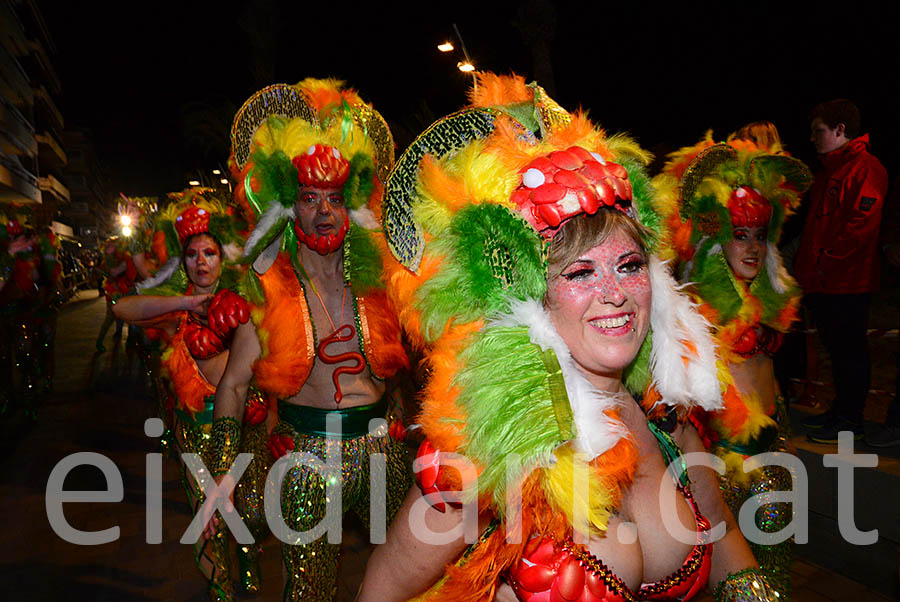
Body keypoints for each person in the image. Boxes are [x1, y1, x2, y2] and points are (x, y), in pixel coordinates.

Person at [359, 73, 779, 601]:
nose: (616, 293)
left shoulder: (666, 415)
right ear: (531, 300)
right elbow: (385, 588)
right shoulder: (484, 451)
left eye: (628, 265)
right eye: (580, 273)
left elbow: (724, 533)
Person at [209, 80, 411, 601]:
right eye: (308, 198)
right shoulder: (269, 291)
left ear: (353, 204)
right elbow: (232, 386)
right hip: (306, 459)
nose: (324, 211)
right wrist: (221, 477)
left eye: (334, 198)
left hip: (382, 449)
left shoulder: (382, 283)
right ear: (288, 208)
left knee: (412, 579)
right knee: (309, 590)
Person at [652, 134, 813, 598]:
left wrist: (785, 436)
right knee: (731, 580)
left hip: (773, 453)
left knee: (775, 570)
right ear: (712, 239)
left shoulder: (767, 304)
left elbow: (767, 380)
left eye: (760, 236)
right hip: (718, 463)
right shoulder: (693, 309)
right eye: (739, 235)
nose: (752, 247)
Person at [113, 191, 269, 601]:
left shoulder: (248, 304)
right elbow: (121, 309)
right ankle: (220, 591)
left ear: (223, 258)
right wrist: (186, 301)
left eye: (209, 253)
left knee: (250, 513)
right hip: (196, 433)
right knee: (208, 523)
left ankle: (249, 559)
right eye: (192, 254)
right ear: (182, 263)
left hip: (243, 430)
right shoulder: (175, 313)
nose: (201, 261)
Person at [795, 99, 889, 442]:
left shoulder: (866, 168)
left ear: (840, 130)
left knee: (850, 353)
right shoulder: (829, 171)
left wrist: (823, 261)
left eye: (818, 131)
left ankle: (851, 419)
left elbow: (861, 227)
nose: (812, 138)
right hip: (825, 283)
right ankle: (840, 412)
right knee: (837, 352)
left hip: (848, 283)